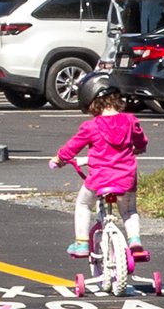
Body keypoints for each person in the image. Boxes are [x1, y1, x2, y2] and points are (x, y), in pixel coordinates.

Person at [53, 87, 148, 258]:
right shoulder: (130, 121)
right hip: (126, 179)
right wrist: (140, 147)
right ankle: (135, 241)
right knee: (129, 211)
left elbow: (72, 147)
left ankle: (81, 243)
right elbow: (140, 140)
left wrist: (59, 159)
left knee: (83, 205)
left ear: (92, 102)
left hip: (100, 180)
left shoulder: (91, 126)